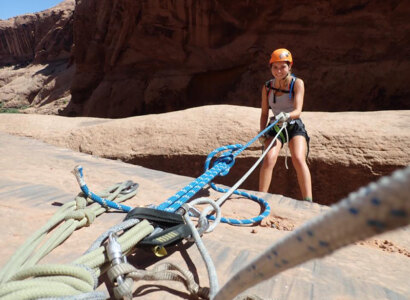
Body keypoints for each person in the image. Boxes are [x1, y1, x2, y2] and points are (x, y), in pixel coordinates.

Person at [258, 48, 312, 202]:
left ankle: (308, 201)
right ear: (271, 68)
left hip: (293, 125)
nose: (279, 71)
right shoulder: (267, 87)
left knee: (298, 158)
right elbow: (264, 113)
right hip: (276, 126)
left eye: (283, 67)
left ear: (290, 67)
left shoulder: (297, 83)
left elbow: (298, 110)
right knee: (269, 158)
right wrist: (262, 132)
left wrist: (287, 115)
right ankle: (260, 198)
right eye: (275, 67)